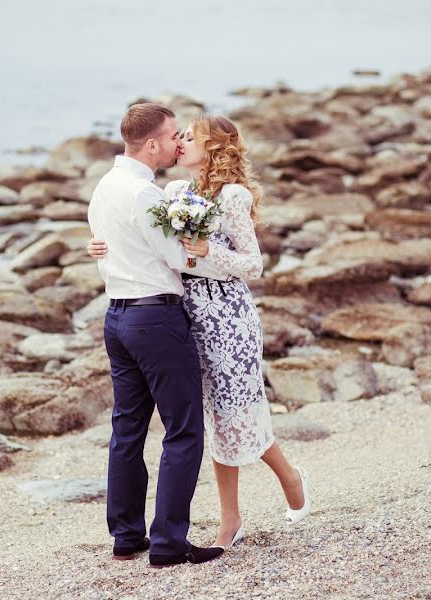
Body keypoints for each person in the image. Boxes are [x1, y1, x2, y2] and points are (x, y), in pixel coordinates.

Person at [88, 114, 310, 552]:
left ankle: (288, 476)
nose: (181, 142)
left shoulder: (233, 197)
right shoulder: (172, 192)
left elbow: (253, 265)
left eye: (190, 137)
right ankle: (231, 519)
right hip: (185, 315)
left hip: (227, 316)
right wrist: (100, 243)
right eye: (178, 136)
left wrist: (208, 253)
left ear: (214, 149)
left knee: (235, 412)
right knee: (207, 417)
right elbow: (149, 241)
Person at [87, 103, 229, 568]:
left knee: (127, 429)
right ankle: (168, 542)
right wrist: (220, 259)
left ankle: (126, 536)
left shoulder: (106, 187)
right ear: (151, 144)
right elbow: (177, 258)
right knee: (184, 430)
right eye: (172, 136)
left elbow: (104, 242)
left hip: (118, 319)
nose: (177, 143)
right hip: (156, 320)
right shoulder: (144, 195)